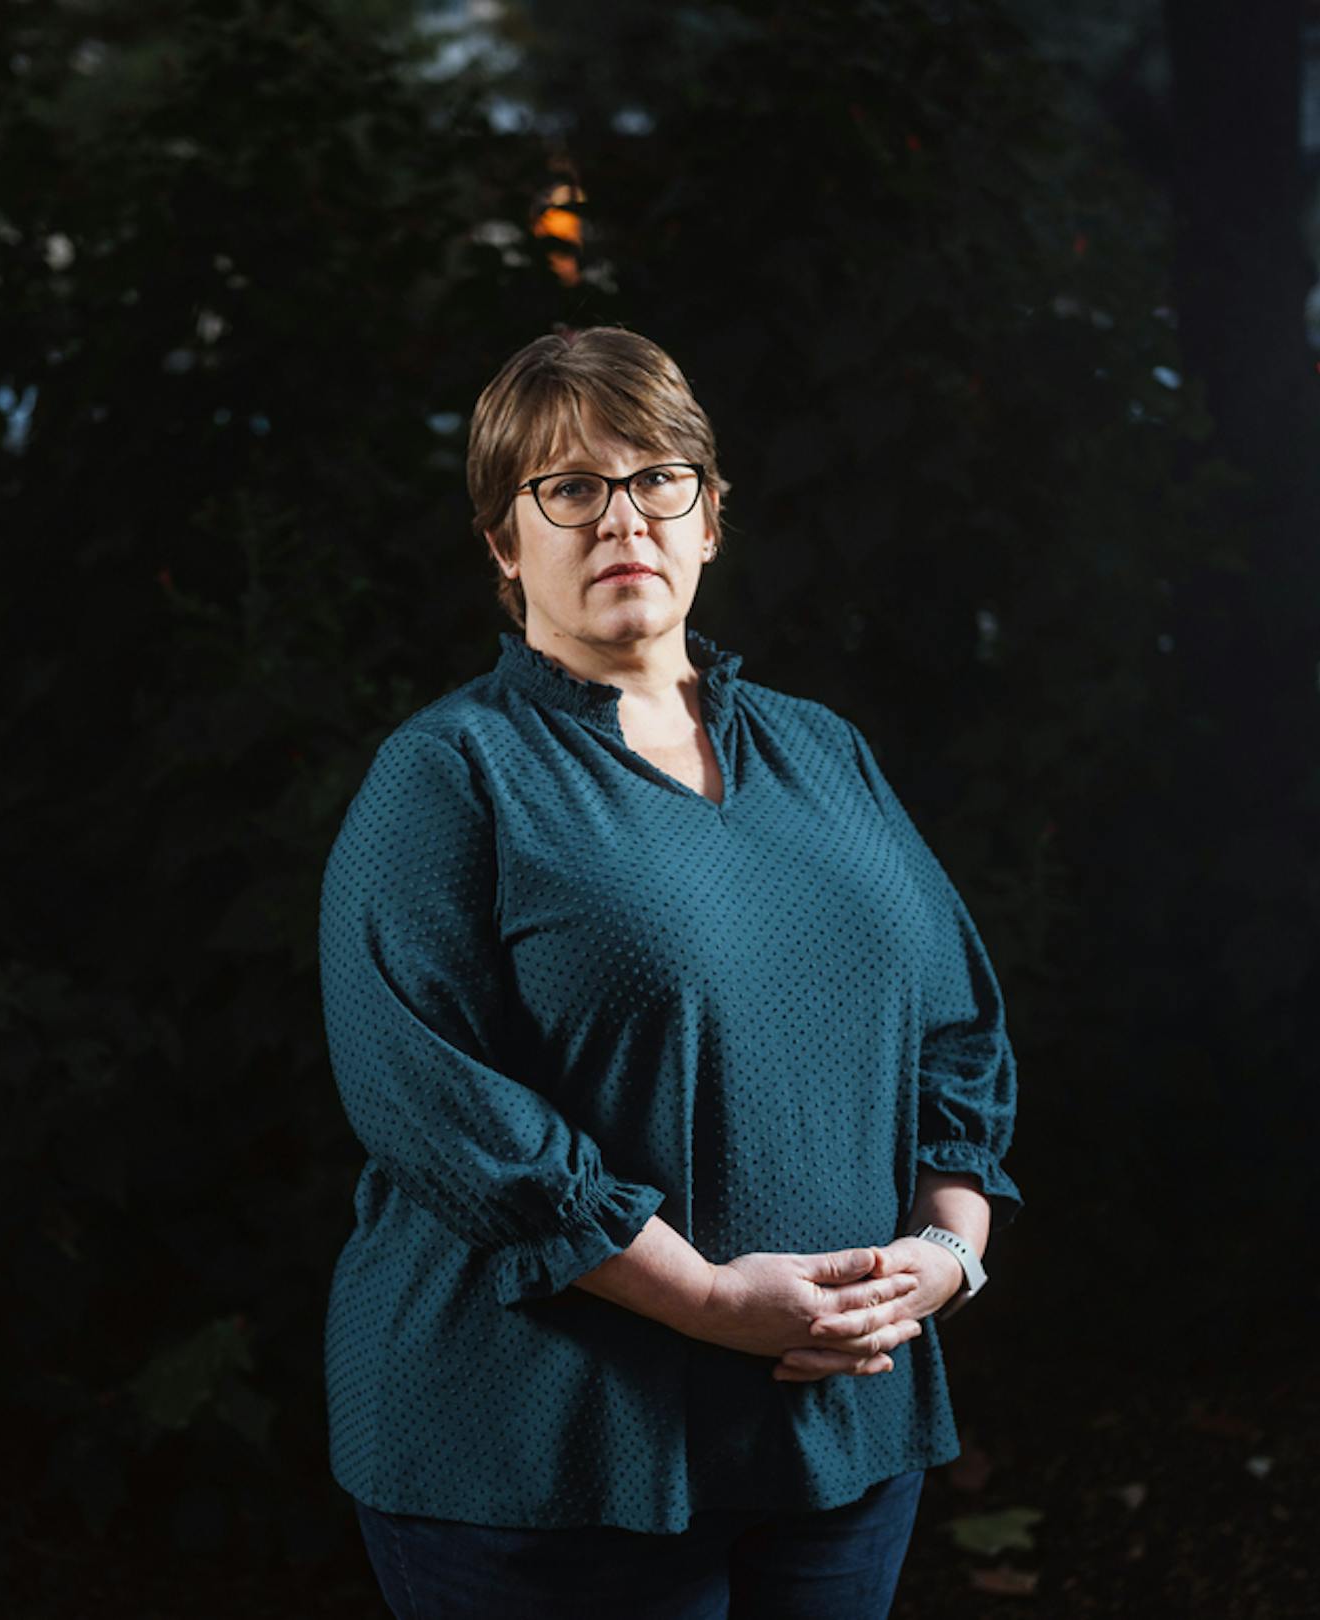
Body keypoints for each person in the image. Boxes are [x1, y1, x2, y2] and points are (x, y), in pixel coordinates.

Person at [317, 326, 1022, 1620]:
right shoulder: (450, 779)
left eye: (658, 481)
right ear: (501, 542)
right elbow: (438, 1107)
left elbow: (957, 1024)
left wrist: (946, 1251)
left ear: (708, 521)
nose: (620, 519)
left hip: (833, 1433)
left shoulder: (824, 754)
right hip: (547, 1461)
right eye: (568, 489)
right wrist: (703, 1298)